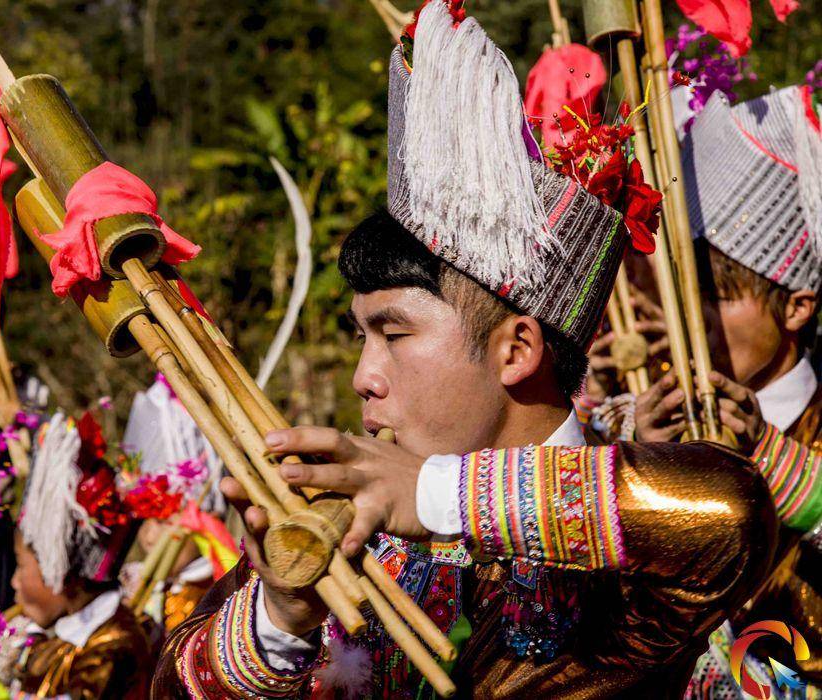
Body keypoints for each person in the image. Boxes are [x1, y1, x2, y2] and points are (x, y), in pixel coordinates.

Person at [154, 3, 777, 697]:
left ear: (515, 350)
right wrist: (284, 612)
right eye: (360, 337)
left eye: (394, 335)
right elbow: (168, 684)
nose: (363, 377)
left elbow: (731, 516)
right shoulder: (351, 528)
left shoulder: (626, 560)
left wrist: (426, 494)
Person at [631, 85, 822, 697]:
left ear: (796, 307)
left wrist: (763, 449)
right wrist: (642, 464)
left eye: (718, 294)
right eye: (687, 294)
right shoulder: (649, 410)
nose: (694, 319)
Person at [3, 413, 151, 700]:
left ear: (61, 569)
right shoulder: (58, 631)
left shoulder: (111, 653)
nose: (14, 582)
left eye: (21, 567)